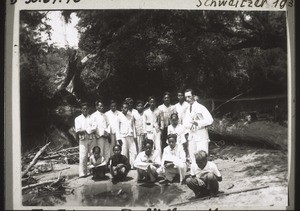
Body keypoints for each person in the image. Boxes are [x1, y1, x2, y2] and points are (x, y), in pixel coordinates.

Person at [183, 89, 213, 163]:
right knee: (192, 157)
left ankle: (205, 173)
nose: (187, 99)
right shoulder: (187, 109)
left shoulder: (201, 107)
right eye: (186, 97)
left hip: (201, 135)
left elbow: (210, 120)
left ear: (193, 96)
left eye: (189, 97)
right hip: (192, 135)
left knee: (202, 156)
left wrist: (198, 123)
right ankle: (195, 173)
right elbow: (185, 122)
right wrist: (189, 126)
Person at [74, 102, 97, 178]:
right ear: (81, 109)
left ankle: (93, 171)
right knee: (83, 156)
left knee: (92, 155)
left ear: (89, 109)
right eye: (83, 109)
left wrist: (85, 130)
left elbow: (95, 128)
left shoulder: (92, 117)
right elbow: (78, 130)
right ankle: (82, 173)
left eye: (86, 109)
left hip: (91, 139)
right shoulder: (77, 119)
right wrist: (88, 130)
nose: (85, 110)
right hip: (83, 140)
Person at [116, 102, 137, 167]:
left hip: (130, 135)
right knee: (124, 151)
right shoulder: (118, 116)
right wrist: (118, 138)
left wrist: (134, 136)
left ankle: (133, 165)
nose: (126, 109)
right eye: (124, 108)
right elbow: (117, 128)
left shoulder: (131, 116)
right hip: (123, 136)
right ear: (121, 108)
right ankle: (124, 165)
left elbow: (133, 126)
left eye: (127, 108)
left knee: (133, 151)